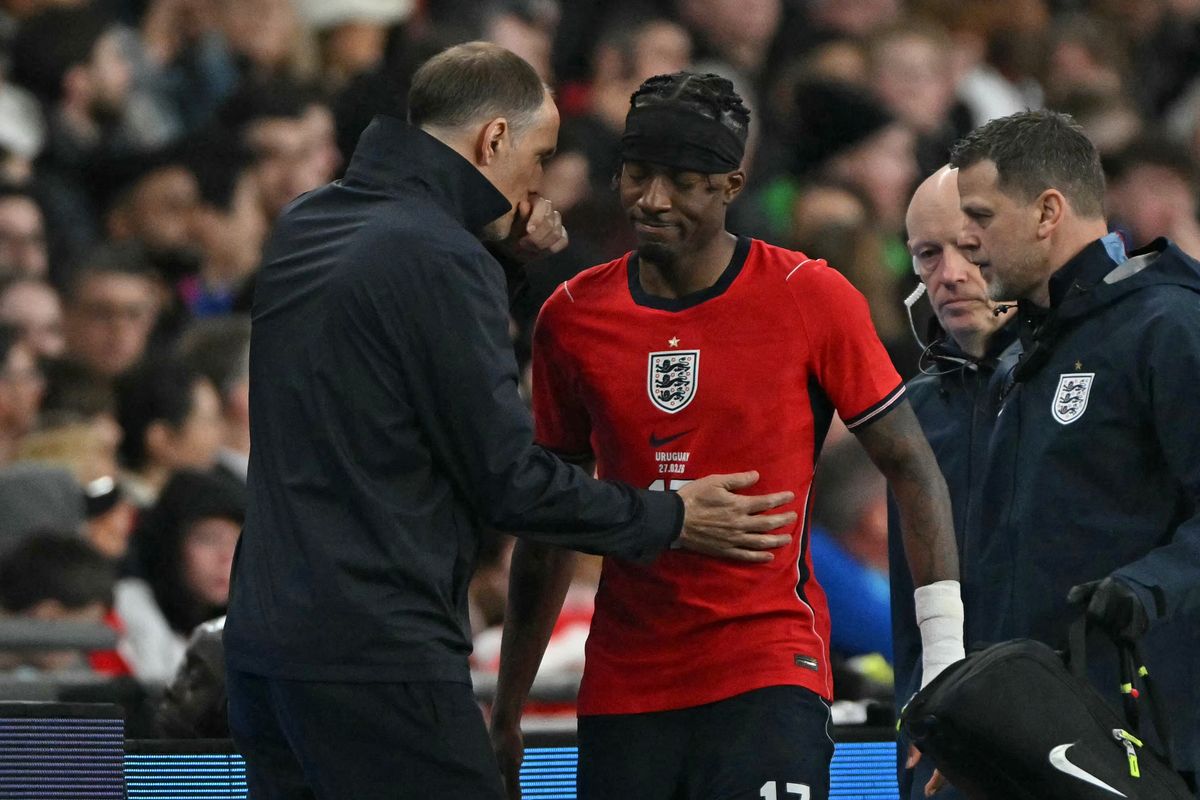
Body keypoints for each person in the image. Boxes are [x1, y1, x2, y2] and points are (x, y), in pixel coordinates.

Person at [223, 43, 797, 800]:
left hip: (264, 654)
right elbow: (510, 483)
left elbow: (399, 366)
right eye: (541, 154)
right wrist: (670, 516)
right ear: (493, 140)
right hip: (378, 654)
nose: (543, 181)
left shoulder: (308, 222)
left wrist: (499, 259)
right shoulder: (439, 255)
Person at [490, 72, 964, 800]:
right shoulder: (572, 318)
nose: (652, 199)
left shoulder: (809, 296)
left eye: (681, 181)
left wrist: (944, 661)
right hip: (625, 683)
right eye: (638, 174)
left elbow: (913, 469)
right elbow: (549, 523)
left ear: (731, 184)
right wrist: (510, 705)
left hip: (767, 668)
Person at [951, 110, 1200, 791]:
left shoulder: (1169, 325)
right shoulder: (1023, 360)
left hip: (1148, 734)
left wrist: (1150, 586)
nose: (964, 240)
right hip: (1032, 735)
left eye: (979, 214)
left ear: (1047, 211)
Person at [889, 164, 1017, 800]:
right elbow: (908, 607)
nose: (950, 274)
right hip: (941, 741)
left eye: (970, 249)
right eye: (927, 254)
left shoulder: (1085, 382)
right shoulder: (907, 413)